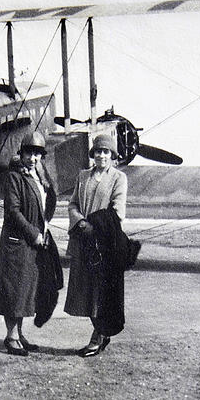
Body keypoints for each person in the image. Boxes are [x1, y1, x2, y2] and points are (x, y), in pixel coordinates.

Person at [0, 131, 60, 356]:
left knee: (25, 291)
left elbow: (47, 203)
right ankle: (11, 337)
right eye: (29, 153)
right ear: (22, 153)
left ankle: (18, 334)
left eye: (37, 154)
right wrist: (33, 233)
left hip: (33, 242)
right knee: (13, 292)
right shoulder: (14, 177)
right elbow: (13, 212)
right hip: (18, 243)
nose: (33, 158)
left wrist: (44, 227)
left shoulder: (38, 177)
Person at [64, 132, 129, 357]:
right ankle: (101, 332)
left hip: (104, 243)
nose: (101, 155)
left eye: (106, 152)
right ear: (93, 154)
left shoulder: (119, 178)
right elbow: (72, 204)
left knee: (101, 291)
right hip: (83, 241)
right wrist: (81, 222)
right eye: (98, 151)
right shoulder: (83, 176)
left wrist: (94, 225)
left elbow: (118, 211)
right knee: (85, 290)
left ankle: (98, 335)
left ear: (112, 155)